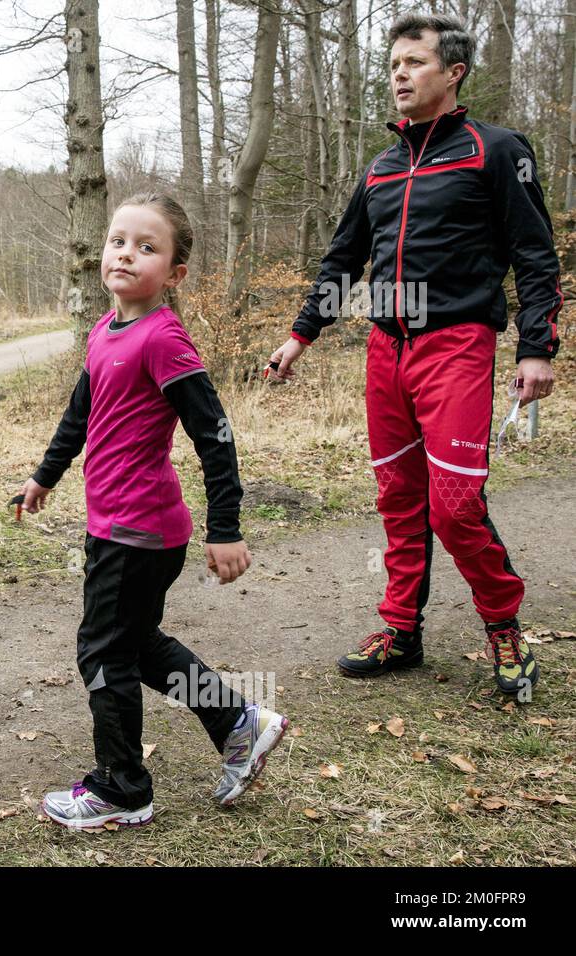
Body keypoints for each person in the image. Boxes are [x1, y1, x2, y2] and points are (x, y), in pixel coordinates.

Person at [267, 12, 563, 697]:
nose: (397, 74)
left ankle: (504, 630)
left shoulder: (496, 149)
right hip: (384, 349)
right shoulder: (382, 167)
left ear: (453, 73)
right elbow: (343, 259)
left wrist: (536, 348)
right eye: (393, 63)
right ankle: (401, 630)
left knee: (454, 506)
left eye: (413, 63)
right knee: (399, 498)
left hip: (457, 346)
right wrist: (299, 335)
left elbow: (535, 256)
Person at [21, 193, 289, 829]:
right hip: (115, 524)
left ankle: (121, 789)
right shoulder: (104, 331)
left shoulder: (164, 339)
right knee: (135, 646)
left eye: (147, 247)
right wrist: (44, 476)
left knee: (101, 652)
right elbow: (80, 416)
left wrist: (226, 527)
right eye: (119, 240)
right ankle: (238, 722)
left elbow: (214, 433)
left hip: (138, 530)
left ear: (174, 273)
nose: (126, 254)